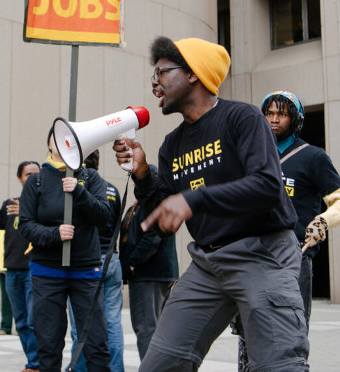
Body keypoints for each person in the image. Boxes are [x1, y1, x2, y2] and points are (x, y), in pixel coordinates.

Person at [112, 36, 308, 371]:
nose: (155, 84)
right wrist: (143, 174)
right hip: (207, 264)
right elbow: (164, 211)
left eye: (161, 72)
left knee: (279, 366)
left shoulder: (242, 118)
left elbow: (266, 186)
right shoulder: (171, 145)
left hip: (262, 253)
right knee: (160, 364)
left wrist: (193, 199)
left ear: (192, 74)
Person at [230, 91, 340, 369]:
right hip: (252, 257)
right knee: (247, 336)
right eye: (269, 113)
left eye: (282, 114)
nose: (274, 120)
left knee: (290, 337)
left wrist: (323, 221)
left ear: (295, 119)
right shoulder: (249, 154)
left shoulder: (312, 157)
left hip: (293, 259)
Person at [19, 129, 113, 372]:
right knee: (48, 343)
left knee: (97, 343)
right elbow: (26, 225)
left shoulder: (90, 177)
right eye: (56, 136)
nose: (62, 141)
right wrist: (54, 234)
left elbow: (103, 217)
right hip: (46, 272)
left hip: (85, 271)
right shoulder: (35, 181)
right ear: (49, 144)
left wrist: (79, 192)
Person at [69, 150, 124, 372]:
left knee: (81, 323)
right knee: (112, 321)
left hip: (88, 261)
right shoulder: (112, 189)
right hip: (112, 258)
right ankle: (115, 368)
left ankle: (80, 368)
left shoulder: (78, 188)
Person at [0, 160, 41, 372]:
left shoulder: (44, 203)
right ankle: (33, 363)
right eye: (28, 174)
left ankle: (36, 363)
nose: (33, 177)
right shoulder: (10, 203)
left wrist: (29, 211)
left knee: (33, 320)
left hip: (33, 270)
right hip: (12, 270)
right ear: (20, 178)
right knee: (20, 322)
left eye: (37, 174)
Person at [119, 166, 178, 361]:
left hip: (149, 274)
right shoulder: (143, 205)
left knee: (146, 328)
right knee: (156, 329)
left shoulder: (152, 204)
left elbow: (153, 236)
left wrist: (134, 262)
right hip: (155, 274)